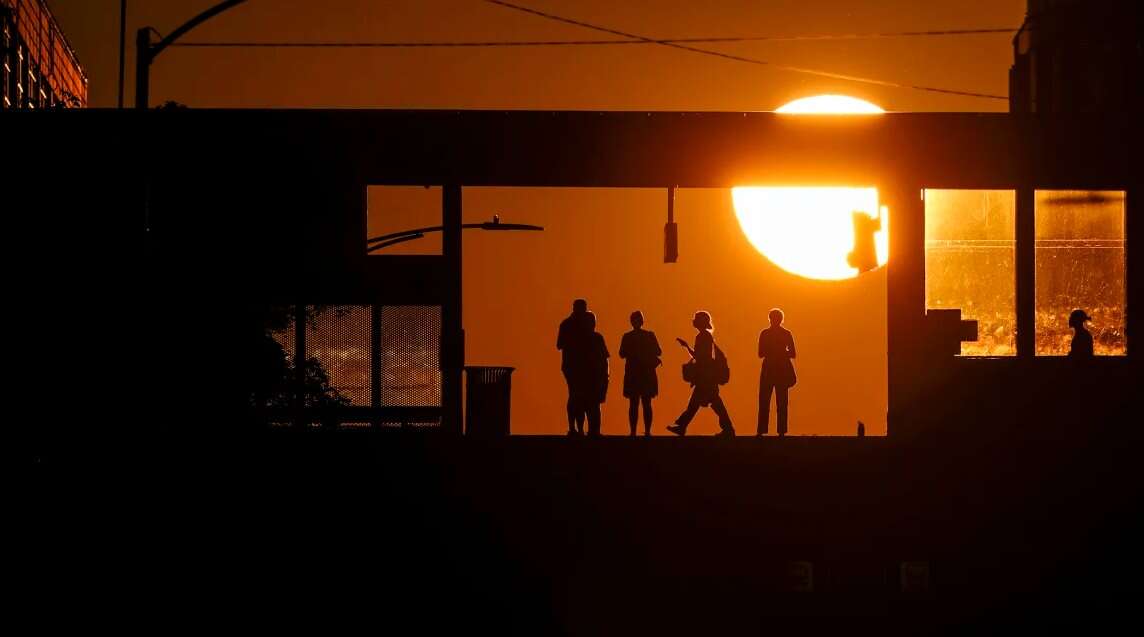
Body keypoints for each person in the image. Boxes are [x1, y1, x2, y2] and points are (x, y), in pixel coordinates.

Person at [667, 311, 735, 437]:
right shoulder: (705, 336)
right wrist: (687, 347)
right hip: (707, 376)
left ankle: (728, 429)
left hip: (705, 377)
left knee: (705, 403)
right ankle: (727, 429)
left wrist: (687, 348)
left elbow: (700, 357)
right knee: (710, 403)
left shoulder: (702, 337)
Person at [619, 311, 662, 437]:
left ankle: (634, 432)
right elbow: (658, 351)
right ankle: (646, 431)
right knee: (646, 403)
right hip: (646, 373)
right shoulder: (649, 335)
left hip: (635, 373)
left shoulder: (627, 336)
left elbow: (622, 354)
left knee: (635, 403)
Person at [757, 308, 797, 437]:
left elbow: (761, 353)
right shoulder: (786, 334)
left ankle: (764, 431)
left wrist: (774, 352)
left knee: (770, 401)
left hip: (773, 369)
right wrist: (780, 352)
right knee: (778, 401)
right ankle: (780, 432)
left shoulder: (765, 333)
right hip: (778, 369)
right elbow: (792, 353)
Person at [557, 299, 590, 435]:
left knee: (575, 395)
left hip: (572, 365)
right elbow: (559, 344)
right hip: (575, 365)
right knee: (578, 395)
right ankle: (576, 427)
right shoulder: (577, 324)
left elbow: (559, 344)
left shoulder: (566, 324)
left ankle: (574, 427)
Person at [582, 311, 610, 436]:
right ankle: (588, 430)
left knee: (595, 404)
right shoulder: (580, 339)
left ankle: (595, 430)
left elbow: (605, 358)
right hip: (585, 377)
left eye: (593, 321)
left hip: (597, 377)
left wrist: (606, 376)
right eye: (590, 321)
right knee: (586, 404)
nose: (593, 324)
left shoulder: (598, 338)